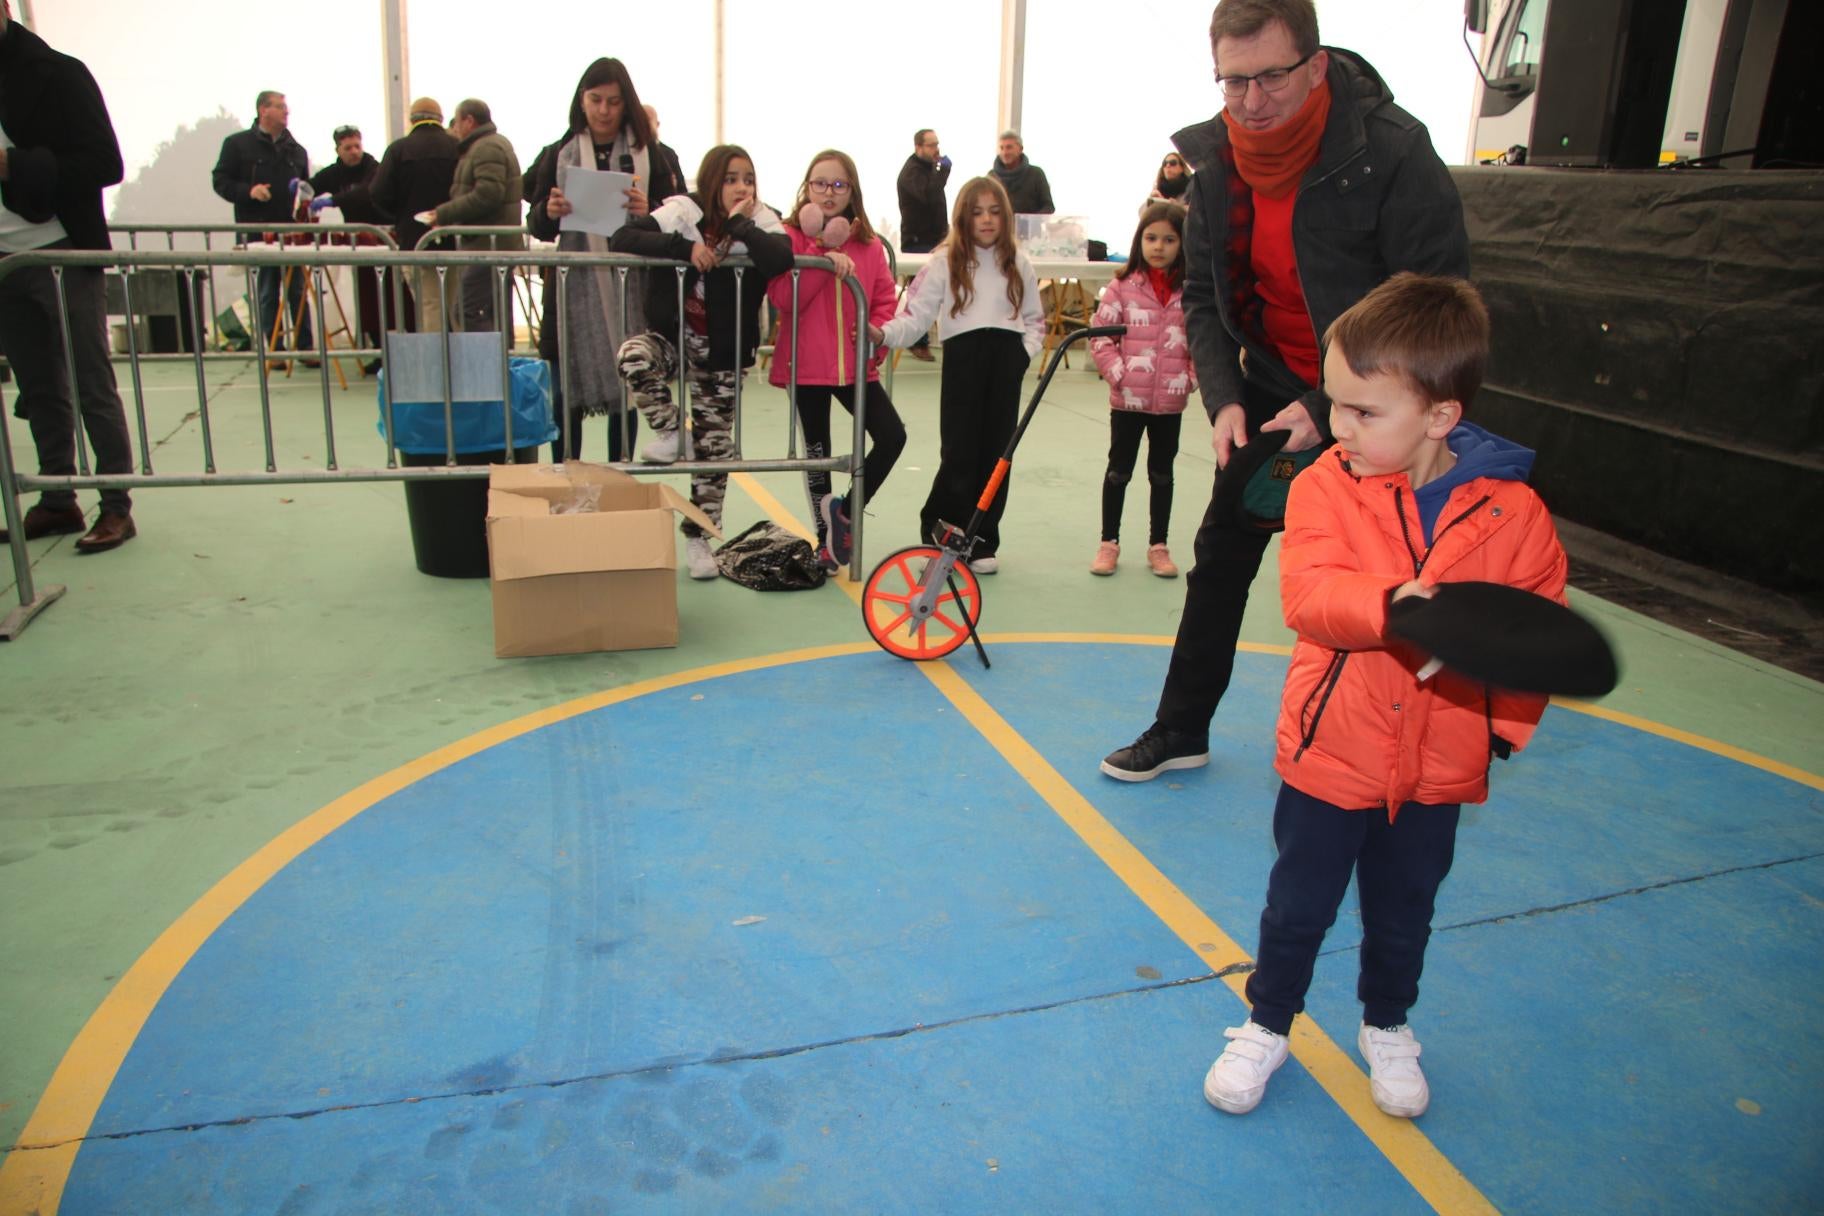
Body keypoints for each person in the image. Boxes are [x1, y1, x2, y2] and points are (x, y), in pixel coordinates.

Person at [1202, 273, 1568, 1119]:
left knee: (1406, 911)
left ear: (1441, 415)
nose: (1341, 428)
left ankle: (1388, 1024)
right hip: (1333, 750)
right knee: (1298, 906)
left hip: (1440, 766)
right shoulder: (1328, 482)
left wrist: (1503, 727)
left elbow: (1538, 627)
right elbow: (1311, 595)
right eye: (1335, 403)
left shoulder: (1516, 514)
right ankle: (1267, 1022)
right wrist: (1397, 607)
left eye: (1366, 412)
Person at [1099, 0, 1470, 782]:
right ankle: (1182, 727)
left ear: (1317, 66)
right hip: (1273, 388)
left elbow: (1436, 308)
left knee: (1391, 573)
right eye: (1232, 82)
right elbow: (1204, 297)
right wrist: (1226, 396)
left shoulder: (1395, 155)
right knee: (1223, 549)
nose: (1251, 101)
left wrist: (1331, 402)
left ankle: (1421, 743)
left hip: (1387, 399)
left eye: (1270, 76)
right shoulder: (1216, 165)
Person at [610, 145, 793, 580]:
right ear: (712, 180)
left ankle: (699, 537)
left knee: (715, 446)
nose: (741, 186)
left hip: (722, 350)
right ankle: (673, 431)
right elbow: (624, 237)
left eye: (748, 178)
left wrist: (739, 226)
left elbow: (780, 258)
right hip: (674, 336)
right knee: (633, 357)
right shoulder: (682, 210)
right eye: (731, 178)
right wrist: (683, 248)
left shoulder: (762, 218)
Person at [0, 0, 136, 552]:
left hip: (62, 250)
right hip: (7, 264)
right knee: (38, 387)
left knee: (89, 382)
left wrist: (14, 165)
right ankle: (57, 500)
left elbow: (107, 164)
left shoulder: (59, 73)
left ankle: (117, 507)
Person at [876, 176, 1043, 575]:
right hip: (963, 361)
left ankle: (983, 538)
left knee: (998, 454)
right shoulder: (944, 261)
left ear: (1006, 217)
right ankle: (942, 531)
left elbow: (1036, 320)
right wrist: (882, 334)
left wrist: (1023, 353)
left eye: (994, 212)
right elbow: (914, 317)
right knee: (959, 452)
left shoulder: (1019, 263)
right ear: (962, 218)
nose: (986, 220)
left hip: (1006, 363)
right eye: (976, 212)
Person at [525, 58, 686, 463]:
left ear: (626, 104)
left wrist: (650, 209)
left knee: (626, 388)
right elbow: (537, 225)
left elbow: (683, 214)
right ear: (581, 101)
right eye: (595, 100)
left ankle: (620, 474)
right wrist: (550, 209)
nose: (603, 110)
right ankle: (566, 477)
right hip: (571, 295)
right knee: (564, 394)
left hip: (633, 292)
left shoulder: (657, 156)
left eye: (613, 102)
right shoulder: (557, 154)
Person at [767, 149, 905, 572]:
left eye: (839, 184)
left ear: (852, 191)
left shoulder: (868, 245)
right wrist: (818, 256)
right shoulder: (788, 237)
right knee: (818, 455)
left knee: (892, 437)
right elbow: (783, 299)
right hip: (806, 367)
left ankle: (843, 512)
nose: (828, 193)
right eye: (819, 183)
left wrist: (875, 334)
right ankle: (825, 545)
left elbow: (883, 300)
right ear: (806, 188)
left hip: (853, 367)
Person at [1088, 201, 1195, 579]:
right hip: (1127, 402)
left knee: (1161, 474)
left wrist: (1189, 378)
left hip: (1169, 404)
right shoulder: (1121, 287)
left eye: (1169, 239)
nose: (1159, 246)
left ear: (1183, 243)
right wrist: (1119, 375)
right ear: (1139, 241)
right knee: (1118, 471)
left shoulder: (1193, 291)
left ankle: (1158, 546)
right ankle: (1108, 542)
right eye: (1151, 238)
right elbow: (1100, 338)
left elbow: (1203, 341)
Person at [211, 89, 314, 365]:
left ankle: (305, 347)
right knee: (268, 292)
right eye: (280, 107)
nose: (286, 111)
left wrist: (306, 206)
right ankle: (273, 350)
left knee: (299, 291)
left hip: (292, 233)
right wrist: (248, 191)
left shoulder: (298, 151)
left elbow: (306, 188)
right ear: (263, 110)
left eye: (286, 107)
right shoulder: (237, 145)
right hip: (259, 231)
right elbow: (220, 181)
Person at [368, 97, 459, 332]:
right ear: (440, 119)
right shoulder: (456, 147)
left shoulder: (398, 150)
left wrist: (400, 216)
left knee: (429, 305)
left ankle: (434, 363)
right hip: (457, 238)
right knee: (455, 306)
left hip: (415, 240)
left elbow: (378, 193)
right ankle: (460, 364)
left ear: (412, 120)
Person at [433, 98, 524, 333]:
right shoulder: (492, 145)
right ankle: (500, 363)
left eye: (457, 122)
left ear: (469, 121)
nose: (455, 129)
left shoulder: (485, 148)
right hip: (496, 243)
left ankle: (488, 364)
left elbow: (488, 193)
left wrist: (444, 214)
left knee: (467, 309)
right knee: (496, 313)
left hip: (487, 245)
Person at [308, 125, 384, 370]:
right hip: (357, 242)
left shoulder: (373, 167)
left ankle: (389, 348)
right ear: (338, 150)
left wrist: (333, 201)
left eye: (357, 146)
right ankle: (376, 346)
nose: (354, 152)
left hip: (381, 239)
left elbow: (365, 192)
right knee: (365, 296)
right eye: (348, 148)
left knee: (383, 296)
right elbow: (312, 186)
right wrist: (301, 189)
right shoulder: (334, 173)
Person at [895, 128, 951, 363]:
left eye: (937, 144)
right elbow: (928, 196)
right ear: (918, 147)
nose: (936, 149)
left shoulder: (929, 171)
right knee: (920, 291)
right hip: (918, 242)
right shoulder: (911, 173)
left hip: (936, 239)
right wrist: (943, 172)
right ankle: (917, 340)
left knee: (940, 288)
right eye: (931, 145)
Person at [988, 130, 1053, 215]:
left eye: (1009, 147)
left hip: (1029, 227)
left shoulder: (1036, 174)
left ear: (1020, 149)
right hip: (1002, 227)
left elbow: (1048, 206)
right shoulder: (992, 176)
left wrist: (1030, 220)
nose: (1005, 152)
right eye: (1001, 148)